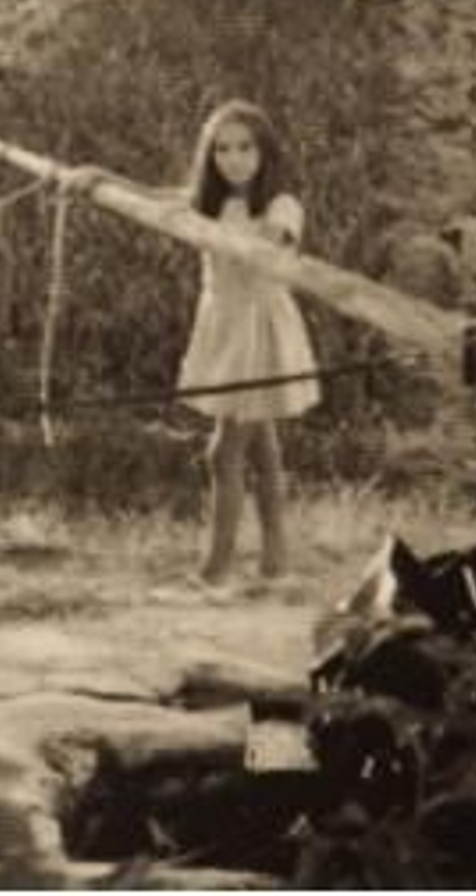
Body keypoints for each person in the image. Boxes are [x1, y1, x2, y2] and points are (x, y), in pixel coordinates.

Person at [65, 100, 319, 589]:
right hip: (222, 321)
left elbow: (273, 242)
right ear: (210, 155)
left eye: (245, 148)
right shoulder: (209, 201)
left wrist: (256, 241)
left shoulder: (281, 204)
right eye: (222, 150)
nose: (234, 159)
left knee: (224, 452)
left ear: (265, 151)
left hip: (256, 326)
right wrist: (98, 176)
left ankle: (215, 572)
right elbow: (151, 196)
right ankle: (276, 565)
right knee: (261, 447)